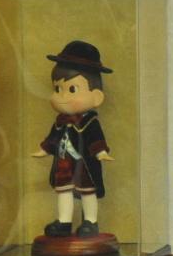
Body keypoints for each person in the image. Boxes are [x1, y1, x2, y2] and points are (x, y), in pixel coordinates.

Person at [32, 40, 113, 237]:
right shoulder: (61, 120)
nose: (60, 97)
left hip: (84, 163)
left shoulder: (90, 121)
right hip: (65, 163)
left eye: (72, 90)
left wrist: (101, 152)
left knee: (87, 191)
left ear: (96, 97)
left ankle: (90, 221)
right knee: (63, 191)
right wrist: (44, 149)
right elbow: (53, 137)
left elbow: (96, 138)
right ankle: (64, 221)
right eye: (57, 89)